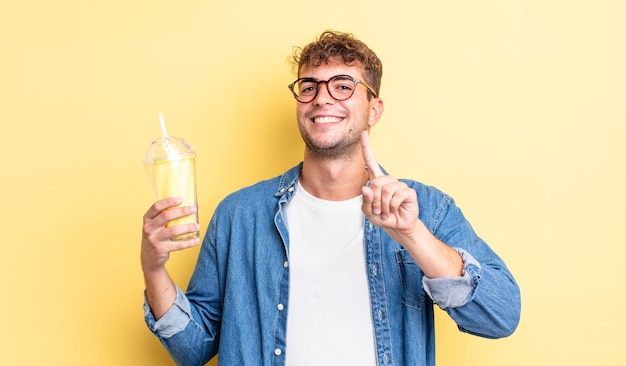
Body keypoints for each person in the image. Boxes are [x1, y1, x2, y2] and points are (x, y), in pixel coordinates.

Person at [141, 30, 521, 366]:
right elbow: (192, 351)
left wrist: (412, 235)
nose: (322, 98)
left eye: (342, 85)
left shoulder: (427, 208)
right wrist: (154, 268)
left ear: (374, 109)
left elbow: (500, 316)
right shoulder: (239, 215)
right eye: (309, 87)